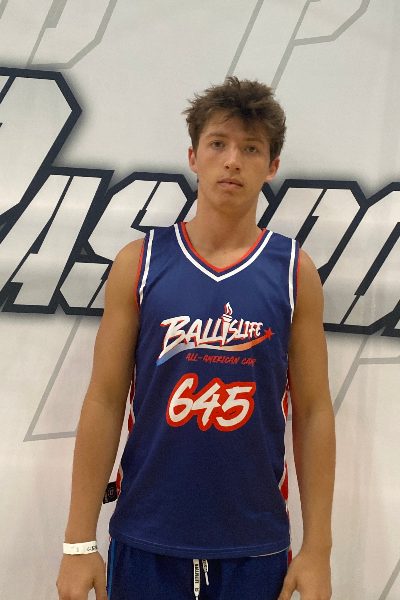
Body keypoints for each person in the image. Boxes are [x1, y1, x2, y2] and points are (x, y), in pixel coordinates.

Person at [57, 77, 335, 600]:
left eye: (251, 149)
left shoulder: (294, 272)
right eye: (218, 144)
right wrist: (78, 542)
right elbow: (105, 400)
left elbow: (315, 411)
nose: (232, 161)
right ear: (193, 156)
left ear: (271, 166)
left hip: (255, 545)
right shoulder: (139, 263)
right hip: (146, 536)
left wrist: (317, 548)